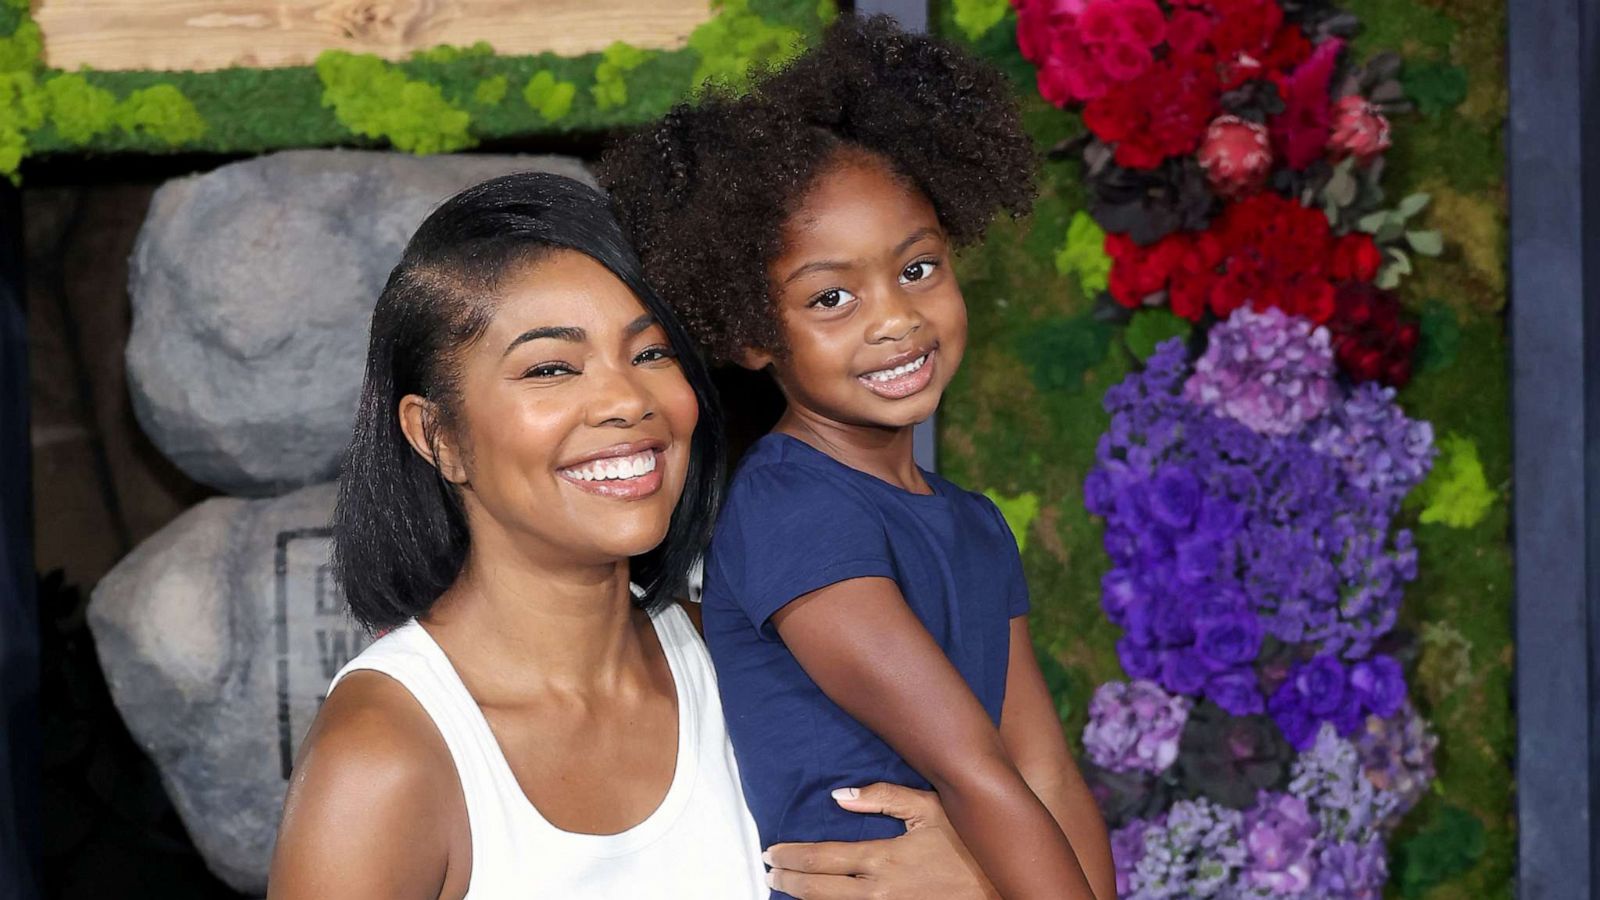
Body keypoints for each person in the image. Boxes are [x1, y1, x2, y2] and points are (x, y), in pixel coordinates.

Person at [269, 172, 998, 899]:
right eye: (551, 367)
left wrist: (979, 882)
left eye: (651, 353)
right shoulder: (386, 757)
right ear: (437, 435)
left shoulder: (744, 660)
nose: (625, 400)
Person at [599, 16, 1116, 900]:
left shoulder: (974, 525)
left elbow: (1048, 778)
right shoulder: (791, 509)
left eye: (917, 270)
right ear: (753, 334)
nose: (895, 319)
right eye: (832, 296)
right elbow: (971, 770)